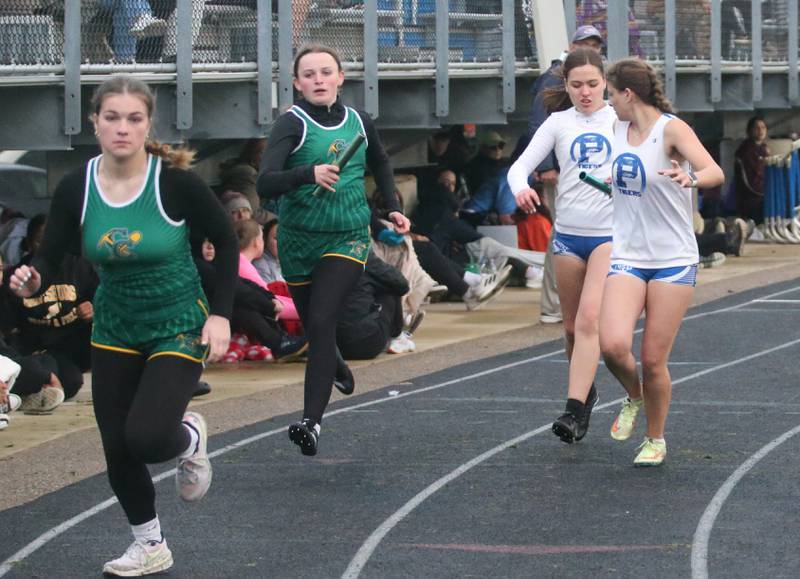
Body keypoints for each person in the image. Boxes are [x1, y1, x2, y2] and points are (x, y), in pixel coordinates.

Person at [8, 75, 238, 575]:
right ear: (94, 122)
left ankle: (190, 438)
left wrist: (221, 314)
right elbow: (50, 257)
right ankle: (150, 543)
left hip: (177, 320)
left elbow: (226, 241)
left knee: (149, 438)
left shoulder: (175, 184)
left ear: (148, 124)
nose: (122, 128)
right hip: (114, 325)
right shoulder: (76, 187)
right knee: (116, 446)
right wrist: (30, 281)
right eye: (111, 117)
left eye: (134, 119)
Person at [256, 44, 410, 456]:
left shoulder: (360, 121)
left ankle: (311, 422)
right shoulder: (291, 124)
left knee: (323, 320)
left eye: (326, 72)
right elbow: (265, 183)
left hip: (347, 236)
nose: (319, 80)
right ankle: (334, 362)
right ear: (296, 83)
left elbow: (380, 163)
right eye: (309, 74)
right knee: (315, 326)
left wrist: (392, 208)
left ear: (341, 78)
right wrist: (309, 173)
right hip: (298, 239)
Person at [600, 59, 723, 466]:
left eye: (610, 93)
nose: (608, 101)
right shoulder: (615, 128)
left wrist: (692, 179)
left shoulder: (672, 129)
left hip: (673, 259)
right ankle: (633, 396)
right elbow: (627, 176)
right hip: (629, 255)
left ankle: (655, 438)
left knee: (653, 359)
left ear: (627, 94)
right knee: (614, 345)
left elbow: (713, 170)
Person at [508, 47, 615, 445]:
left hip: (610, 235)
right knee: (571, 329)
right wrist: (521, 189)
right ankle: (586, 395)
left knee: (589, 321)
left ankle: (571, 411)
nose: (585, 92)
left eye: (592, 84)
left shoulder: (620, 120)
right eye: (576, 85)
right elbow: (519, 167)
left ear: (605, 81)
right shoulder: (557, 123)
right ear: (565, 86)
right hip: (568, 236)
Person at [527, 24, 604, 325]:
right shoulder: (556, 77)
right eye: (586, 43)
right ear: (572, 46)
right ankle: (553, 305)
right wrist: (547, 166)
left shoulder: (582, 77)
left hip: (577, 172)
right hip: (560, 173)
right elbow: (538, 123)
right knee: (560, 238)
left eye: (596, 44)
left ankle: (572, 303)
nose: (592, 48)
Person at [733, 116, 769, 225]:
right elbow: (754, 178)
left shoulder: (762, 148)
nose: (760, 131)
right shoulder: (747, 150)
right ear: (750, 131)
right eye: (757, 128)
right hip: (752, 199)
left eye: (763, 127)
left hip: (759, 195)